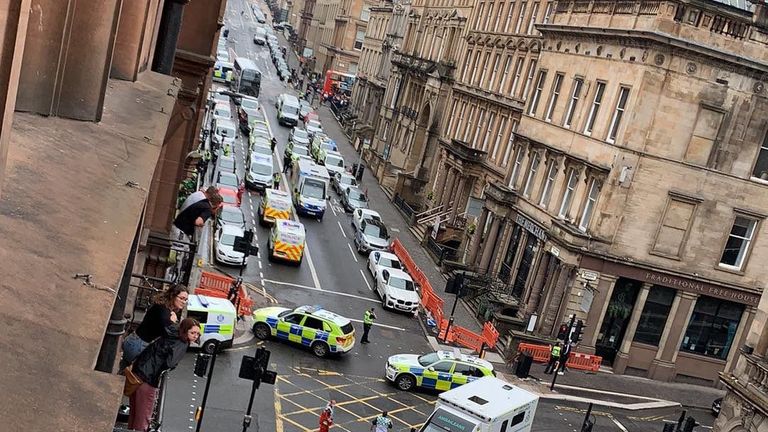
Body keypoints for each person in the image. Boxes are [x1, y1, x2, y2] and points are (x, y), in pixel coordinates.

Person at [128, 318, 201, 431]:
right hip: (149, 379)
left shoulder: (172, 332)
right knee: (143, 419)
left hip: (138, 371)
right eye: (192, 333)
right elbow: (170, 363)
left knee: (134, 414)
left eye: (197, 333)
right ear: (185, 331)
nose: (195, 336)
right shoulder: (182, 343)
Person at [120, 285, 189, 370]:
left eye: (185, 300)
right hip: (139, 346)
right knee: (133, 378)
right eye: (181, 298)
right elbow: (170, 332)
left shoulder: (164, 307)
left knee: (126, 374)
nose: (184, 302)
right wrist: (173, 322)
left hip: (135, 341)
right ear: (172, 296)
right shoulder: (164, 311)